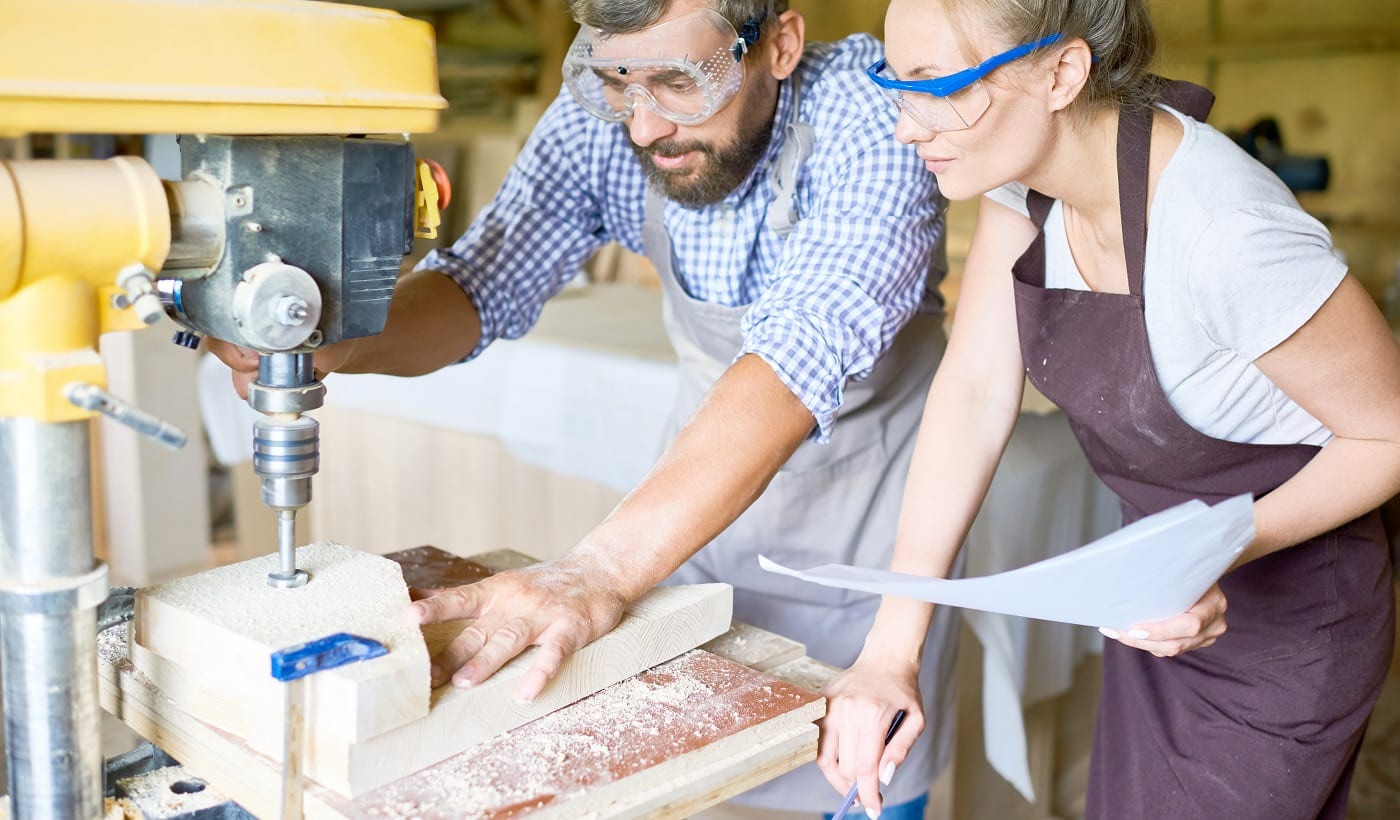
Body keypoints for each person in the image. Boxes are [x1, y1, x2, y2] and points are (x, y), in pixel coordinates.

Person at [212, 0, 956, 814]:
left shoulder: (871, 112)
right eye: (617, 84)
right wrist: (333, 345)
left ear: (779, 44)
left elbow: (792, 359)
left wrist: (597, 570)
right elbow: (481, 282)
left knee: (858, 791)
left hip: (866, 578)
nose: (643, 127)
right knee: (688, 780)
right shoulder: (614, 112)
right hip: (681, 553)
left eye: (680, 82)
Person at [819, 0, 1400, 817]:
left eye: (938, 85)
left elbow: (1389, 431)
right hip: (1159, 599)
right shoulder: (1021, 188)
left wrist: (1219, 552)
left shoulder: (1222, 231)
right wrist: (890, 649)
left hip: (1292, 621)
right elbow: (975, 390)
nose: (906, 128)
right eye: (896, 86)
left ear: (1061, 73)